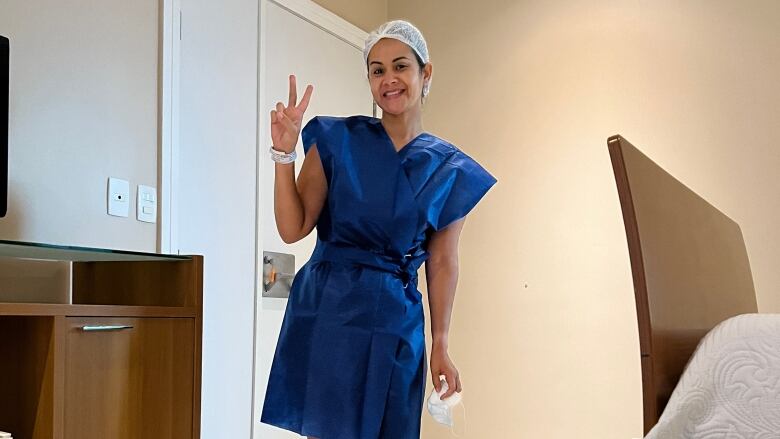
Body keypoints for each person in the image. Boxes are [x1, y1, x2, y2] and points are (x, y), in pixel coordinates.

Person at [260, 20, 497, 439]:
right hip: (329, 309)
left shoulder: (449, 168)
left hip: (395, 319)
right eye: (377, 69)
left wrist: (440, 342)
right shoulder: (336, 140)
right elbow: (292, 227)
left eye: (400, 66)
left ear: (425, 74)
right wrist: (284, 154)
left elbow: (442, 260)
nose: (389, 79)